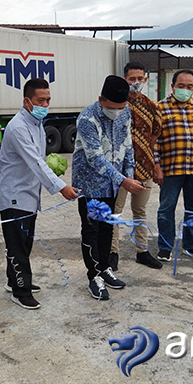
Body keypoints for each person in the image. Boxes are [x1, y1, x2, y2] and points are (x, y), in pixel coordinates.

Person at [0, 78, 80, 310]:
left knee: (24, 242)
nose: (45, 104)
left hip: (29, 194)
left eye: (48, 100)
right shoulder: (18, 127)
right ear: (27, 101)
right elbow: (35, 163)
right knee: (17, 246)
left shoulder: (36, 124)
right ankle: (20, 291)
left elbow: (40, 161)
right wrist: (61, 187)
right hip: (14, 195)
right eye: (40, 100)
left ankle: (14, 280)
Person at [73, 76, 138, 300]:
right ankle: (94, 277)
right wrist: (123, 180)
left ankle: (104, 269)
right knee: (91, 230)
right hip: (90, 185)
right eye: (113, 108)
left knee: (107, 228)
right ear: (101, 99)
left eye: (122, 107)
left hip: (113, 184)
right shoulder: (87, 119)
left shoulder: (125, 113)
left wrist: (129, 173)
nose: (117, 112)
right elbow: (95, 159)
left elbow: (128, 146)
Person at [154, 70, 193, 261]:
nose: (185, 90)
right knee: (166, 209)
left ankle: (191, 245)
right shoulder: (160, 108)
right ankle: (165, 247)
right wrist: (156, 166)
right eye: (181, 86)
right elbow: (155, 142)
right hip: (170, 168)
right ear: (172, 86)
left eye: (189, 86)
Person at [110, 62, 164, 270]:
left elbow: (157, 134)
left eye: (140, 79)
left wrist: (155, 164)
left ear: (145, 79)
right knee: (115, 211)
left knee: (140, 210)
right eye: (132, 79)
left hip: (145, 167)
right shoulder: (117, 105)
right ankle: (112, 252)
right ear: (125, 79)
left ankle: (142, 251)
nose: (136, 83)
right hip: (120, 170)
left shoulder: (152, 106)